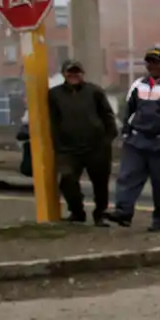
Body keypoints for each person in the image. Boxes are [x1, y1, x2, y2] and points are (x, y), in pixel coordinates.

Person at [107, 47, 160, 232]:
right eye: (149, 62)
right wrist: (126, 132)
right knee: (127, 178)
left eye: (156, 62)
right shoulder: (138, 85)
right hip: (137, 141)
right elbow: (128, 110)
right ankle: (124, 213)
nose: (153, 66)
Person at [47, 58, 118, 226]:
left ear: (82, 74)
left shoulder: (95, 92)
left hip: (96, 147)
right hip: (68, 148)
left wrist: (107, 139)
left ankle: (100, 214)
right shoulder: (54, 94)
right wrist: (58, 144)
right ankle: (77, 212)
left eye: (76, 72)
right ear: (64, 74)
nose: (73, 75)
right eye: (70, 72)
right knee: (67, 180)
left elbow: (108, 116)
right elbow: (53, 120)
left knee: (100, 184)